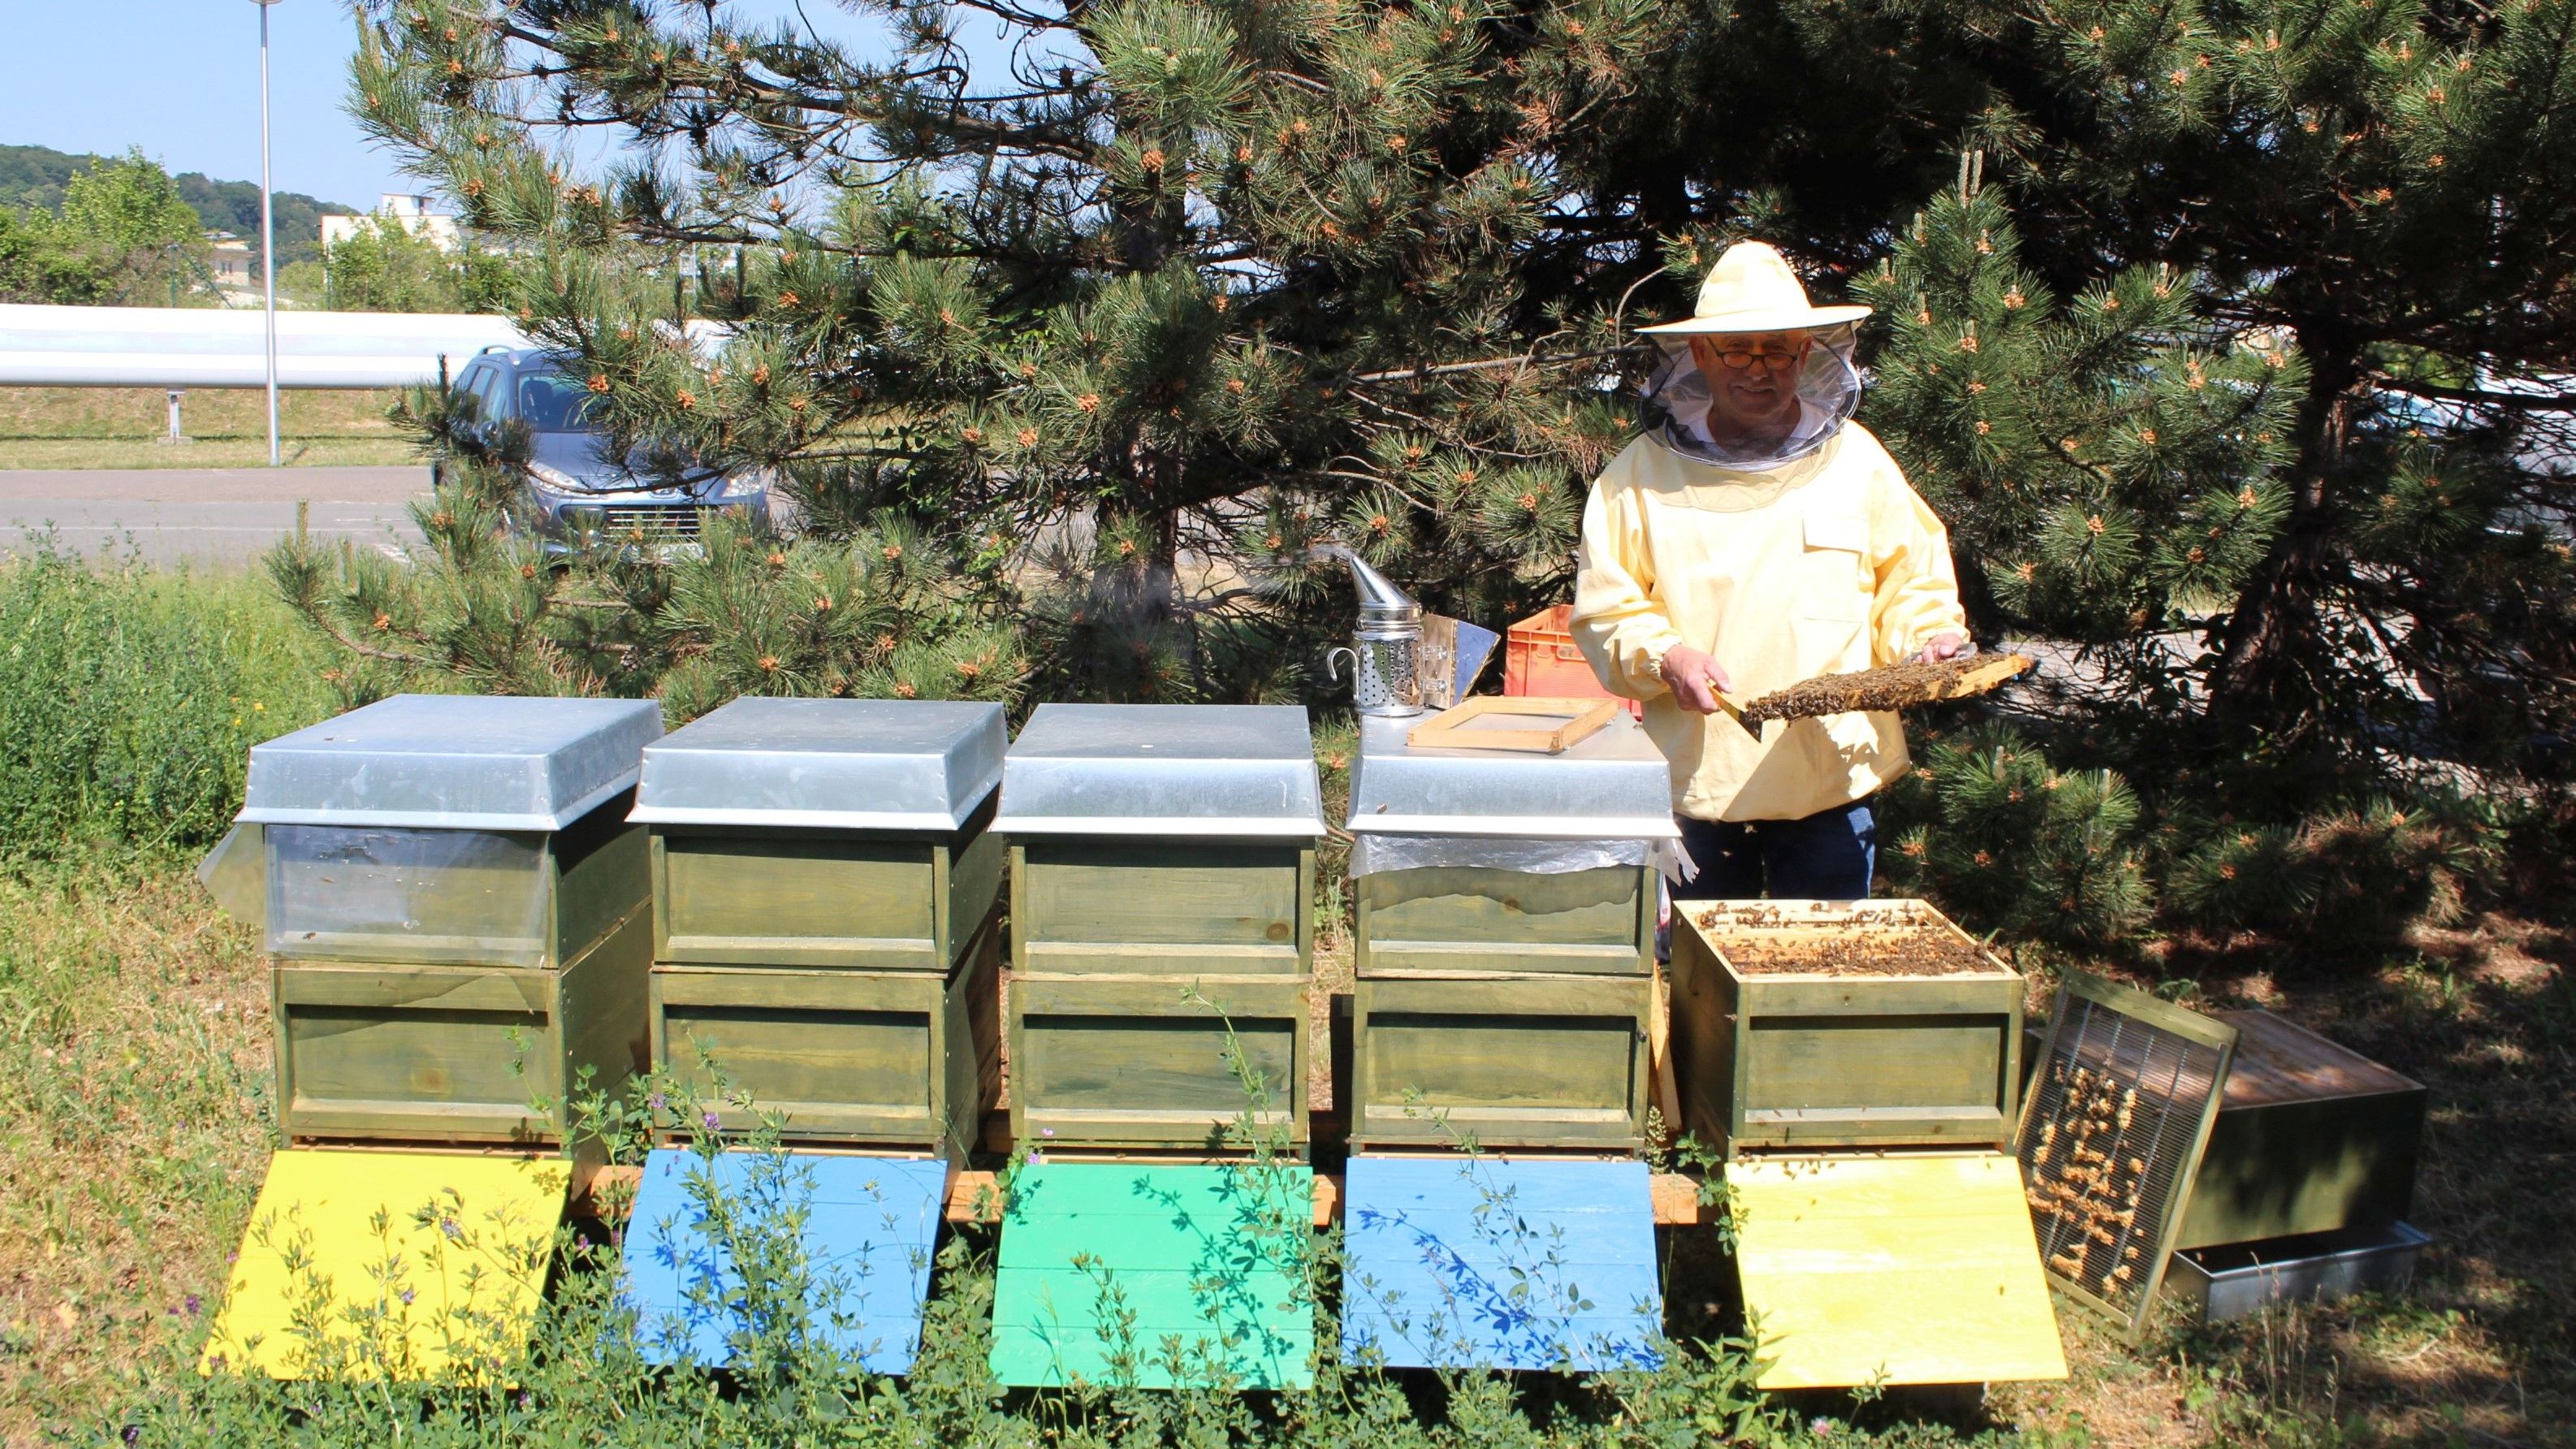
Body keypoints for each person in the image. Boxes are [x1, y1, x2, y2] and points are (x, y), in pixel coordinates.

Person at [1570, 240, 1968, 903]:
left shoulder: (1858, 462)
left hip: (1831, 776)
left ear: (1806, 353)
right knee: (1698, 980)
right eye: (1736, 350)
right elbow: (1609, 610)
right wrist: (1666, 656)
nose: (1758, 368)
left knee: (1818, 981)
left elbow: (1913, 581)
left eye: (1777, 349)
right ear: (1699, 355)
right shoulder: (1636, 477)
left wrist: (1928, 643)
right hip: (1700, 776)